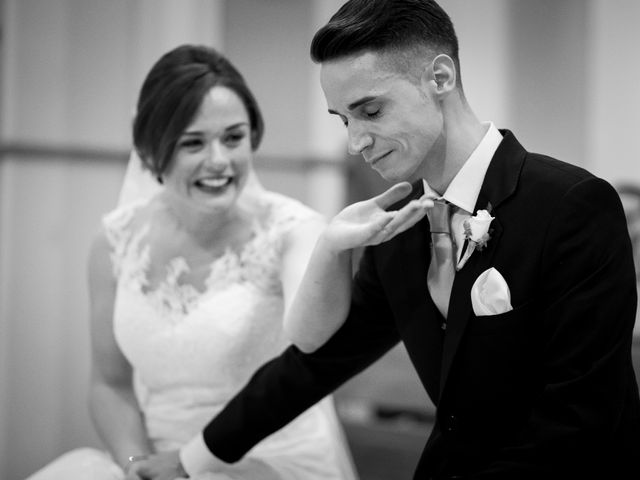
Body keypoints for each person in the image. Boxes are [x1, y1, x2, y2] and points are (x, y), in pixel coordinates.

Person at [136, 1, 640, 479]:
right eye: (344, 120)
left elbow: (580, 415)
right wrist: (190, 457)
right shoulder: (396, 229)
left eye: (370, 111)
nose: (355, 143)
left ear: (439, 78)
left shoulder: (573, 205)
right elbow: (318, 363)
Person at [24, 44, 358, 480]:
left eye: (234, 137)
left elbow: (312, 336)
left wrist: (333, 248)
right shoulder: (114, 243)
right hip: (154, 460)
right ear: (151, 150)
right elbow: (110, 384)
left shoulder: (295, 231)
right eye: (193, 143)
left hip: (268, 460)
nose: (219, 161)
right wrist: (135, 465)